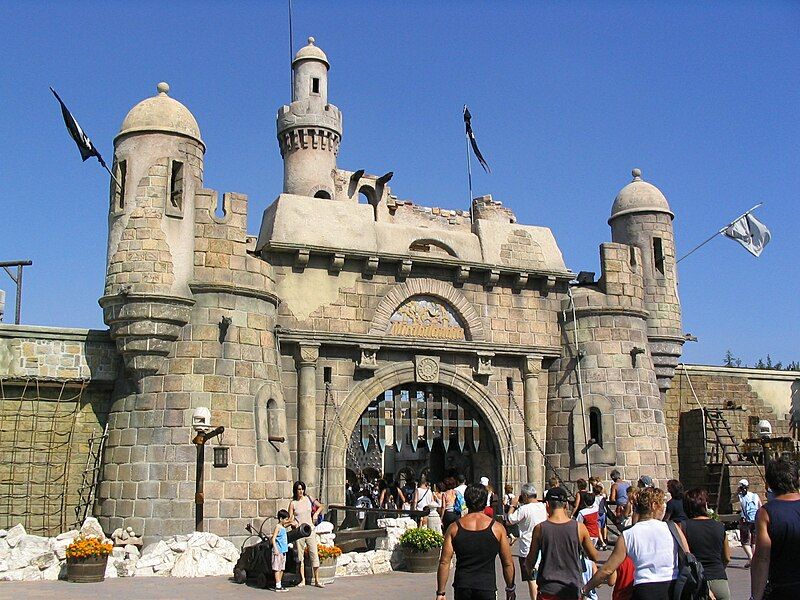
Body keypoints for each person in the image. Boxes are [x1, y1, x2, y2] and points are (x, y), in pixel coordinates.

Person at [583, 487, 689, 599]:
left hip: (645, 587)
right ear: (653, 506)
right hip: (673, 586)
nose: (664, 508)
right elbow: (688, 555)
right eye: (662, 504)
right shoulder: (672, 527)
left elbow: (607, 569)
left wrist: (586, 588)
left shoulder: (628, 534)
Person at [436, 483, 516, 600]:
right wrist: (510, 588)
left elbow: (444, 562)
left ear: (466, 501)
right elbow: (507, 562)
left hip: (463, 585)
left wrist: (441, 592)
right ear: (485, 501)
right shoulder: (497, 528)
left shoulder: (454, 528)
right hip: (486, 586)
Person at [525, 486, 599, 600]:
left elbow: (531, 560)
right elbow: (594, 555)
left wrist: (530, 570)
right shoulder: (579, 528)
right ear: (565, 505)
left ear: (547, 505)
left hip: (548, 589)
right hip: (572, 587)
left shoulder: (540, 528)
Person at [751, 456, 800, 599]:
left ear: (770, 484)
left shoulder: (766, 513)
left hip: (784, 588)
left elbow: (762, 558)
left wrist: (756, 596)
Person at [682, 487, 730, 600]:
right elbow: (727, 557)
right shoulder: (719, 526)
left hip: (696, 582)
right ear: (705, 505)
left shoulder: (684, 527)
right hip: (719, 580)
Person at [506, 483, 548, 599]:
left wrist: (513, 506)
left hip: (527, 548)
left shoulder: (524, 509)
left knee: (531, 578)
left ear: (525, 495)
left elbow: (509, 520)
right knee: (541, 577)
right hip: (542, 547)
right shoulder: (542, 506)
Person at [287, 480, 325, 588]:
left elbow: (321, 506)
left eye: (302, 489)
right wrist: (293, 523)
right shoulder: (293, 503)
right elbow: (290, 519)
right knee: (300, 557)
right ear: (295, 490)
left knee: (314, 554)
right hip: (300, 532)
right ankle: (302, 579)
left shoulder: (309, 498)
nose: (301, 491)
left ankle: (317, 580)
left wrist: (316, 514)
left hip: (310, 530)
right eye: (299, 489)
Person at [737, 478, 761, 568]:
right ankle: (754, 558)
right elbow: (760, 506)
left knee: (744, 541)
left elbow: (730, 501)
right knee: (754, 540)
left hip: (745, 520)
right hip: (755, 519)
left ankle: (751, 558)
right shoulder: (755, 495)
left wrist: (737, 492)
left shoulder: (739, 496)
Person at [271, 509, 292, 592]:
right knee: (277, 568)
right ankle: (277, 585)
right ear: (281, 519)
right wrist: (275, 548)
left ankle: (279, 583)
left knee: (282, 568)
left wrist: (290, 523)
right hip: (278, 550)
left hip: (283, 550)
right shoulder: (278, 527)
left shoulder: (283, 527)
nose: (287, 520)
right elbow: (273, 538)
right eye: (286, 519)